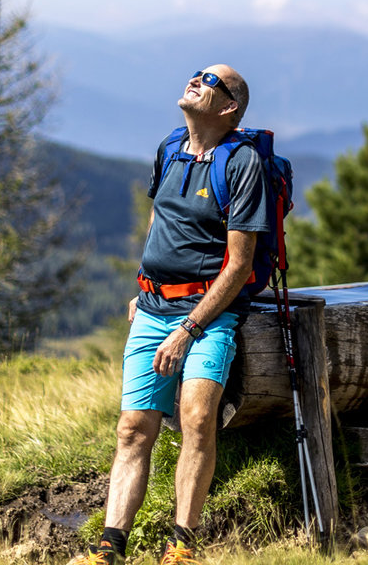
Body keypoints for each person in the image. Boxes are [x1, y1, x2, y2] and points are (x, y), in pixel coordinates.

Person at [69, 65, 270, 565]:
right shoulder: (169, 146)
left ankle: (182, 545)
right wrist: (146, 281)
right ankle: (109, 549)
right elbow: (162, 217)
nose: (197, 80)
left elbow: (240, 263)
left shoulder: (242, 164)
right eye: (196, 74)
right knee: (133, 429)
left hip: (206, 314)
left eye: (211, 81)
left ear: (229, 108)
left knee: (198, 420)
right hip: (154, 306)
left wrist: (188, 328)